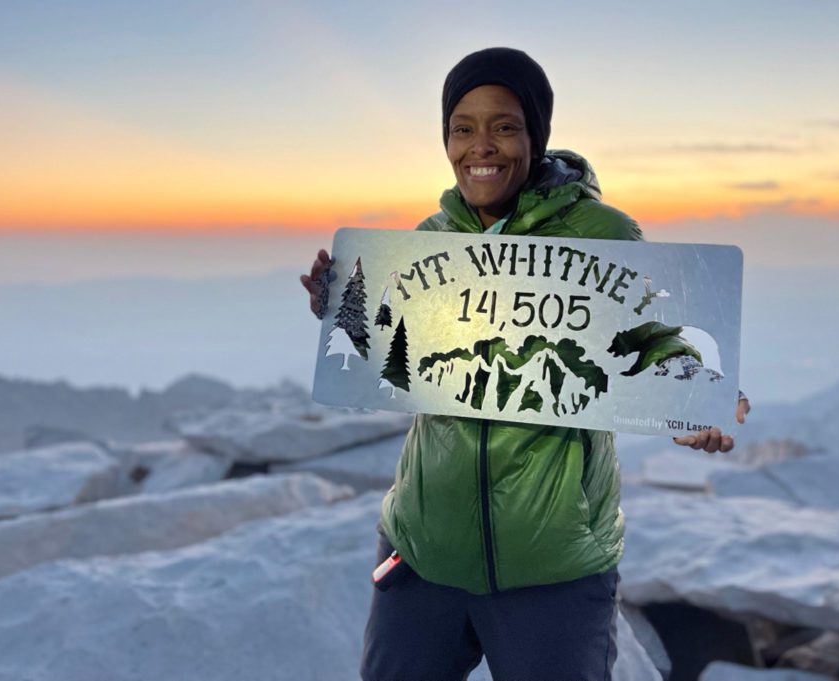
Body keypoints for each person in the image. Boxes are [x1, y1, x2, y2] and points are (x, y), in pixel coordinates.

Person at [300, 47, 750, 681]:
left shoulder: (605, 235)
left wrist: (697, 403)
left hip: (555, 570)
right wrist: (337, 305)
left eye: (504, 126)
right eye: (462, 128)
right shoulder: (430, 239)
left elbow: (654, 337)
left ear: (535, 136)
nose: (480, 146)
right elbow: (392, 349)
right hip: (423, 553)